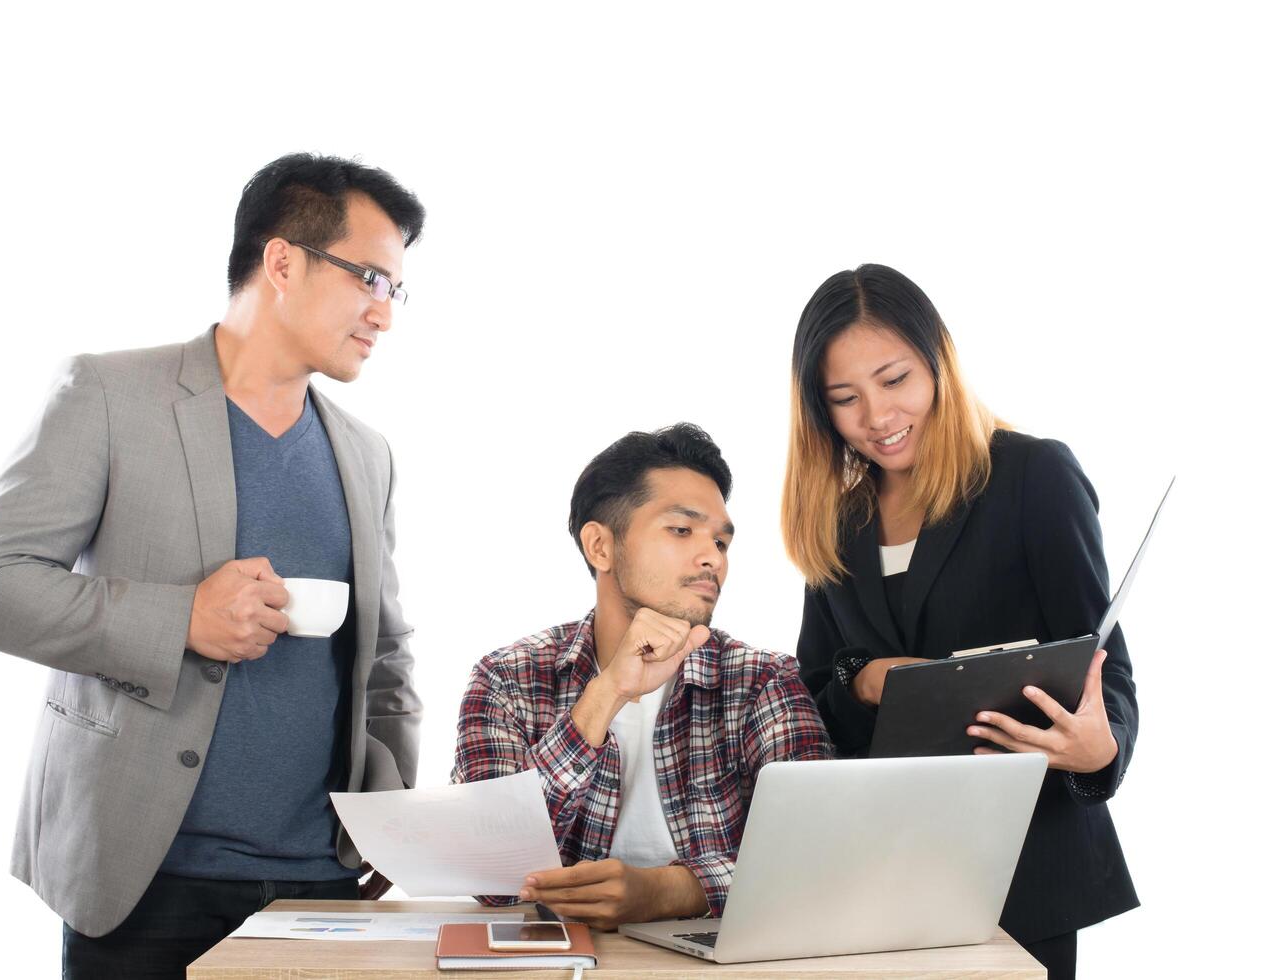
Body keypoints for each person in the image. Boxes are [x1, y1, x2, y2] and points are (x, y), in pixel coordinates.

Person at [0, 154, 426, 978]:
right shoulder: (106, 394)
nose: (385, 313)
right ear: (283, 262)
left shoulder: (366, 453)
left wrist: (388, 821)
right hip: (145, 881)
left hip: (321, 885)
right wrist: (182, 621)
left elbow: (384, 658)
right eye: (370, 279)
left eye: (396, 291)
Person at [783, 264, 1138, 979]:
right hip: (880, 873)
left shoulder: (1031, 477)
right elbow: (812, 696)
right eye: (844, 398)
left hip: (1019, 866)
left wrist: (1097, 753)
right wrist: (866, 684)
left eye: (894, 380)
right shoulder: (837, 520)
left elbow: (1106, 668)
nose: (877, 417)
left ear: (938, 360)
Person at [452, 424, 832, 930]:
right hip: (558, 960)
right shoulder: (507, 679)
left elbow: (821, 857)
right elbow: (490, 876)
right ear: (600, 547)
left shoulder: (763, 681)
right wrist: (605, 695)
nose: (712, 558)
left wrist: (667, 891)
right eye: (682, 530)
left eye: (721, 540)